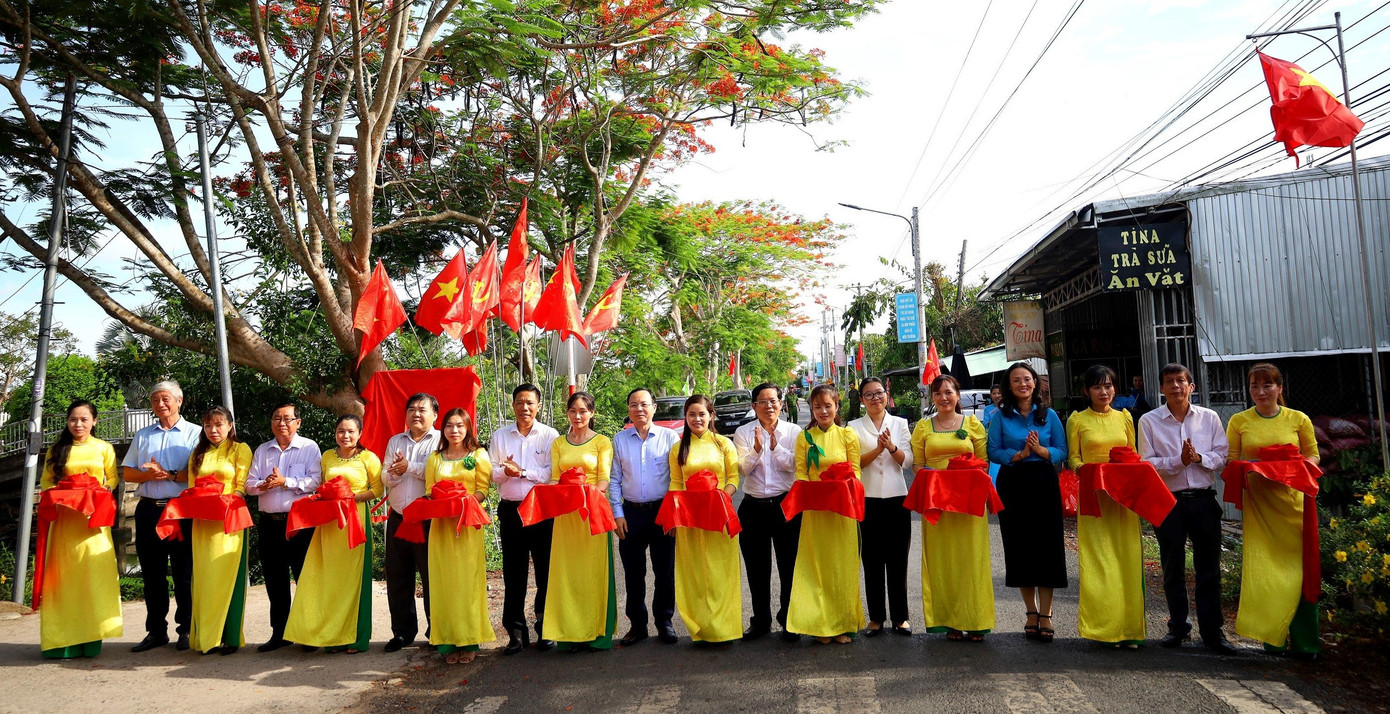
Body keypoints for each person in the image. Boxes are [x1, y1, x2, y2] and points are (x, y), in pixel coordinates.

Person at [1226, 362, 1321, 658]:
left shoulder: (1298, 419)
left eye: (1267, 385)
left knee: (1299, 571)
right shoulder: (1239, 421)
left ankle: (1306, 643)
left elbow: (1314, 455)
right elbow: (1231, 461)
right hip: (1260, 508)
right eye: (1254, 386)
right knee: (1266, 570)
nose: (1260, 392)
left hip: (1295, 506)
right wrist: (1253, 469)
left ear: (1280, 389)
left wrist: (1292, 469)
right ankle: (1273, 639)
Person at [1138, 363, 1235, 653]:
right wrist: (1178, 461)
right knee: (1172, 567)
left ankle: (1212, 631)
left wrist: (1198, 458)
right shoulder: (1149, 421)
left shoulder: (1210, 418)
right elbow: (1146, 464)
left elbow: (1222, 456)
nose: (1176, 386)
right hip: (1168, 501)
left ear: (1191, 386)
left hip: (1204, 499)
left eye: (1181, 381)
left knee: (1209, 568)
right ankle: (1178, 627)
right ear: (1161, 388)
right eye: (1169, 382)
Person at [285, 414, 382, 654]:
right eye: (341, 431)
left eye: (350, 431)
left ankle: (356, 638)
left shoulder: (369, 458)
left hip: (354, 520)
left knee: (353, 580)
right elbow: (321, 485)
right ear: (335, 433)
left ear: (359, 433)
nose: (345, 436)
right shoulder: (327, 456)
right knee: (330, 580)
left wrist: (351, 498)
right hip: (329, 524)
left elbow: (378, 490)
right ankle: (333, 636)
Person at [986, 363, 1067, 643]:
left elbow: (1062, 450)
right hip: (1013, 482)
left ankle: (1046, 614)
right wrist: (1017, 455)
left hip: (1043, 482)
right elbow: (992, 451)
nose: (1023, 384)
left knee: (1047, 546)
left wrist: (1042, 451)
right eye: (1016, 380)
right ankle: (1030, 611)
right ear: (1009, 386)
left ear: (1036, 383)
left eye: (1027, 379)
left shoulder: (1050, 415)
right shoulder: (1000, 417)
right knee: (1020, 546)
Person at [1066, 364, 1145, 648]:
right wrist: (1088, 470)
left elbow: (1132, 455)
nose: (1104, 392)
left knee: (1127, 561)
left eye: (1108, 386)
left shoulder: (1125, 418)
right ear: (1087, 391)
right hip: (1094, 498)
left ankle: (1129, 629)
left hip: (1123, 501)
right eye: (1097, 387)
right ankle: (1104, 629)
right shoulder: (1077, 421)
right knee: (1100, 562)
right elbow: (1073, 459)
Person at [37, 400, 121, 658]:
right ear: (67, 421)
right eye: (73, 419)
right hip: (64, 525)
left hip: (92, 524)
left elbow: (112, 479)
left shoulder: (104, 448)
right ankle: (60, 640)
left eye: (84, 419)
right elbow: (46, 484)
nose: (78, 424)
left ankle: (90, 639)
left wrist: (97, 494)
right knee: (63, 582)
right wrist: (66, 497)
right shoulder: (57, 449)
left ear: (94, 421)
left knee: (91, 579)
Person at [123, 381, 200, 653]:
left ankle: (187, 629)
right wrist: (148, 475)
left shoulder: (196, 434)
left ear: (180, 401)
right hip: (148, 510)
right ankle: (156, 631)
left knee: (184, 573)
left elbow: (201, 474)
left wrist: (167, 474)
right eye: (155, 400)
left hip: (181, 509)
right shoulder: (143, 435)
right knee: (152, 574)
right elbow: (128, 473)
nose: (160, 404)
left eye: (165, 399)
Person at [913, 375, 991, 642]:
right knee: (942, 562)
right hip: (937, 504)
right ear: (932, 398)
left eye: (948, 392)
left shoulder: (972, 424)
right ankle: (949, 621)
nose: (943, 398)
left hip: (968, 504)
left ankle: (975, 619)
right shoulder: (924, 427)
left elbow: (983, 462)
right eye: (937, 393)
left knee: (971, 560)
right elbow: (917, 466)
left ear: (958, 395)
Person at [788, 385, 865, 644]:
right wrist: (808, 493)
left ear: (836, 407)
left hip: (842, 512)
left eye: (827, 406)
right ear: (811, 409)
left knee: (841, 567)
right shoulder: (804, 437)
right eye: (817, 406)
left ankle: (842, 624)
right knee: (816, 568)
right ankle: (820, 625)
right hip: (815, 513)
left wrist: (842, 488)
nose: (823, 411)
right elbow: (801, 472)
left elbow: (855, 471)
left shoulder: (847, 435)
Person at [245, 402, 322, 652]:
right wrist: (263, 486)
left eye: (288, 419)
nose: (282, 423)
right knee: (274, 580)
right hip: (269, 524)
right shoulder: (262, 450)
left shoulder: (309, 447)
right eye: (277, 418)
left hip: (299, 523)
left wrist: (285, 481)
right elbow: (249, 483)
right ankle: (280, 632)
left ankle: (309, 633)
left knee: (304, 578)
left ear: (298, 422)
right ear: (271, 423)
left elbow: (315, 481)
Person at [665, 394, 742, 644]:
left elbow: (733, 478)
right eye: (691, 414)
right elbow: (676, 483)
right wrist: (675, 517)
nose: (697, 419)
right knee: (695, 572)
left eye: (702, 414)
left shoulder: (723, 444)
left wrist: (721, 498)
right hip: (690, 517)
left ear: (711, 415)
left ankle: (724, 628)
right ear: (685, 417)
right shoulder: (678, 448)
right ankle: (701, 628)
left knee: (721, 571)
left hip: (718, 515)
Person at [490, 383, 560, 654]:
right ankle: (516, 632)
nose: (525, 407)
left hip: (541, 508)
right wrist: (506, 472)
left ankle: (546, 627)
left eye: (530, 402)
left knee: (545, 570)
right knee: (514, 572)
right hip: (511, 509)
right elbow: (491, 473)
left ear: (539, 405)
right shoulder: (500, 436)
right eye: (519, 402)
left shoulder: (550, 435)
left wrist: (520, 472)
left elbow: (550, 473)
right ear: (513, 405)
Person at [610, 387, 682, 646]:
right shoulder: (619, 439)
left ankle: (665, 621)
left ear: (654, 407)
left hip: (661, 512)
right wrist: (617, 513)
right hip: (630, 513)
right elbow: (615, 479)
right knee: (633, 572)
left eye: (643, 404)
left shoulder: (670, 437)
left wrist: (673, 514)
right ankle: (638, 625)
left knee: (664, 571)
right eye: (633, 405)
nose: (638, 409)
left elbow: (677, 479)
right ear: (628, 409)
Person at [546, 391, 617, 651]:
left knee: (592, 573)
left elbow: (603, 479)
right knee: (567, 575)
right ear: (567, 413)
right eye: (573, 411)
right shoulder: (559, 443)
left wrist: (587, 495)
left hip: (592, 513)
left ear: (592, 414)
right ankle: (569, 633)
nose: (577, 416)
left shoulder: (602, 442)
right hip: (566, 517)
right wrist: (547, 493)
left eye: (583, 411)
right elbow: (555, 477)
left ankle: (596, 632)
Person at [732, 383, 802, 641]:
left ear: (781, 403)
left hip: (786, 505)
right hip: (753, 507)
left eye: (774, 400)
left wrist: (775, 448)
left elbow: (795, 465)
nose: (769, 406)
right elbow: (742, 469)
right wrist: (758, 450)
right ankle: (760, 620)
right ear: (754, 406)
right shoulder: (743, 432)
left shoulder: (794, 431)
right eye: (763, 401)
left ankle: (789, 619)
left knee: (789, 565)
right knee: (756, 567)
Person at [424, 408, 495, 664]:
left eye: (460, 426)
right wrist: (444, 502)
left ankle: (469, 639)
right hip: (441, 526)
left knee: (467, 582)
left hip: (467, 525)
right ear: (443, 429)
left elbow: (483, 489)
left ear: (468, 428)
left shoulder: (478, 455)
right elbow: (430, 490)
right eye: (449, 426)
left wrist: (464, 502)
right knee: (443, 581)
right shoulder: (435, 458)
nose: (454, 431)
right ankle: (446, 642)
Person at [184, 407, 253, 654]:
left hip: (229, 519)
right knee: (204, 578)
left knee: (228, 576)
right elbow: (192, 487)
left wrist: (226, 502)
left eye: (219, 425)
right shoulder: (197, 453)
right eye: (208, 425)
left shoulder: (239, 449)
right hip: (203, 522)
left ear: (230, 426)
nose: (213, 430)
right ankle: (207, 637)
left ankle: (231, 637)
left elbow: (241, 485)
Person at [849, 377, 913, 637]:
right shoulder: (853, 427)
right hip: (868, 499)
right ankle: (876, 617)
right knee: (872, 560)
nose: (875, 399)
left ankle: (901, 617)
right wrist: (877, 450)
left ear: (887, 395)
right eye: (869, 395)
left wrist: (891, 447)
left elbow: (907, 462)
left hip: (898, 498)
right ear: (862, 400)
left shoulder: (900, 423)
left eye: (879, 393)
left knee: (899, 560)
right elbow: (853, 463)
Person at [381, 393, 440, 653]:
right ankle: (402, 632)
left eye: (422, 409)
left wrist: (408, 467)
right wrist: (393, 474)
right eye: (411, 409)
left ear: (435, 415)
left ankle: (436, 631)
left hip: (427, 519)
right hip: (398, 517)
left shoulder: (441, 440)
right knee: (397, 577)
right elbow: (384, 474)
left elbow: (434, 471)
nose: (416, 414)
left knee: (432, 577)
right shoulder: (396, 440)